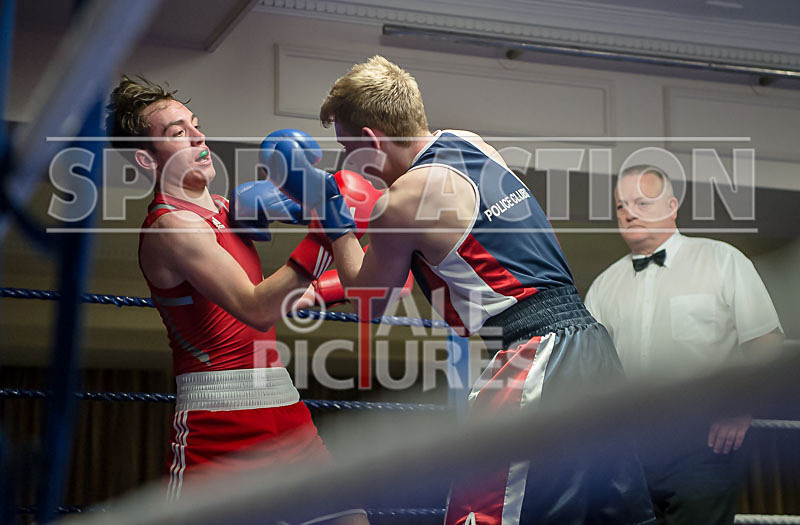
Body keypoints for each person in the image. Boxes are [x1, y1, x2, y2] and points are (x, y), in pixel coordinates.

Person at [260, 56, 656, 524]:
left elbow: (371, 302)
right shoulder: (471, 143)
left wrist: (335, 222)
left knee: (481, 516)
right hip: (592, 346)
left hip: (531, 358)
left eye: (349, 149)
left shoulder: (402, 201)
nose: (352, 164)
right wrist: (329, 287)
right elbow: (434, 258)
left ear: (370, 140)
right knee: (615, 514)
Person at [106, 76, 370, 524]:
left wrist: (341, 271)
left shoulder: (232, 208)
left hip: (285, 408)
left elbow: (282, 292)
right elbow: (254, 306)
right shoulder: (171, 228)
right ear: (145, 159)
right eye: (177, 133)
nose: (198, 136)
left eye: (195, 124)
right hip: (220, 421)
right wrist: (323, 229)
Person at [584, 165, 784, 525]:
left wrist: (740, 408)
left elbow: (765, 342)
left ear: (672, 207)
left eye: (642, 202)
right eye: (620, 205)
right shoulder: (603, 286)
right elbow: (592, 368)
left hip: (704, 443)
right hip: (627, 451)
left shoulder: (722, 260)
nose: (629, 212)